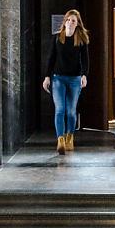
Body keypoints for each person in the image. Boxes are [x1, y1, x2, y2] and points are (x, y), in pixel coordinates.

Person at [43, 9, 89, 154]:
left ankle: (70, 137)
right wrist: (47, 77)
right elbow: (51, 58)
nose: (70, 23)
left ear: (77, 24)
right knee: (60, 109)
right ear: (65, 22)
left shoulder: (81, 39)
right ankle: (60, 140)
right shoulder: (57, 37)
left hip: (74, 79)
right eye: (68, 20)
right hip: (58, 79)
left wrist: (84, 75)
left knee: (70, 111)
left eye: (73, 21)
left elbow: (85, 60)